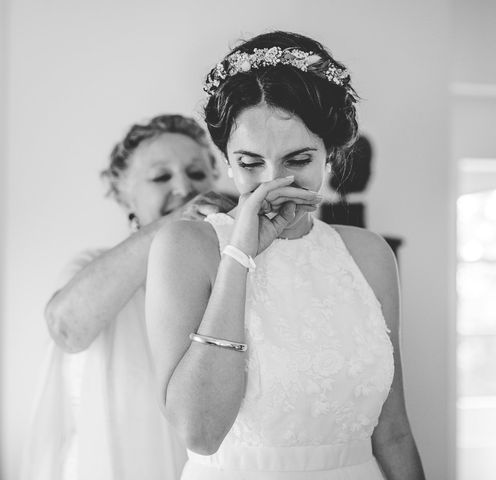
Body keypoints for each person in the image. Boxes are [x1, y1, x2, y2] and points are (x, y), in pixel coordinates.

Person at [146, 32, 426, 480]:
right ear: (226, 159)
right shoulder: (186, 247)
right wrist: (239, 254)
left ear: (329, 154)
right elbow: (199, 432)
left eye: (297, 159)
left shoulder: (369, 254)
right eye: (250, 163)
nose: (273, 183)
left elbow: (393, 432)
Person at [30, 114, 235, 480]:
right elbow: (66, 328)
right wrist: (174, 223)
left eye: (197, 174)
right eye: (161, 177)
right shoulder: (92, 266)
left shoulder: (233, 267)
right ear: (125, 193)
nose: (184, 186)